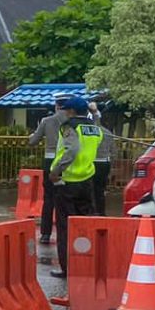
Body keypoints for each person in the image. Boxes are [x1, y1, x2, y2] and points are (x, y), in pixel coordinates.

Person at [47, 96, 102, 279]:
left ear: (70, 111)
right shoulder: (94, 128)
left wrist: (56, 170)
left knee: (65, 227)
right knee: (85, 224)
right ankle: (88, 265)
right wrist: (95, 114)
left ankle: (67, 268)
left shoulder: (70, 126)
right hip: (86, 180)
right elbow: (97, 138)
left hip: (68, 182)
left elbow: (71, 150)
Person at [28, 96, 67, 244]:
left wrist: (32, 135)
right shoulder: (72, 122)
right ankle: (64, 231)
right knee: (64, 198)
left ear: (56, 105)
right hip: (67, 162)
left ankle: (45, 234)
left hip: (50, 160)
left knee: (49, 198)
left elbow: (33, 141)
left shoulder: (46, 121)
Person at [89, 102, 115, 215]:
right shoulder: (108, 132)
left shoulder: (88, 131)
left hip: (91, 163)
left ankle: (91, 211)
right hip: (104, 163)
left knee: (90, 189)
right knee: (100, 190)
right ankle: (101, 212)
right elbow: (114, 151)